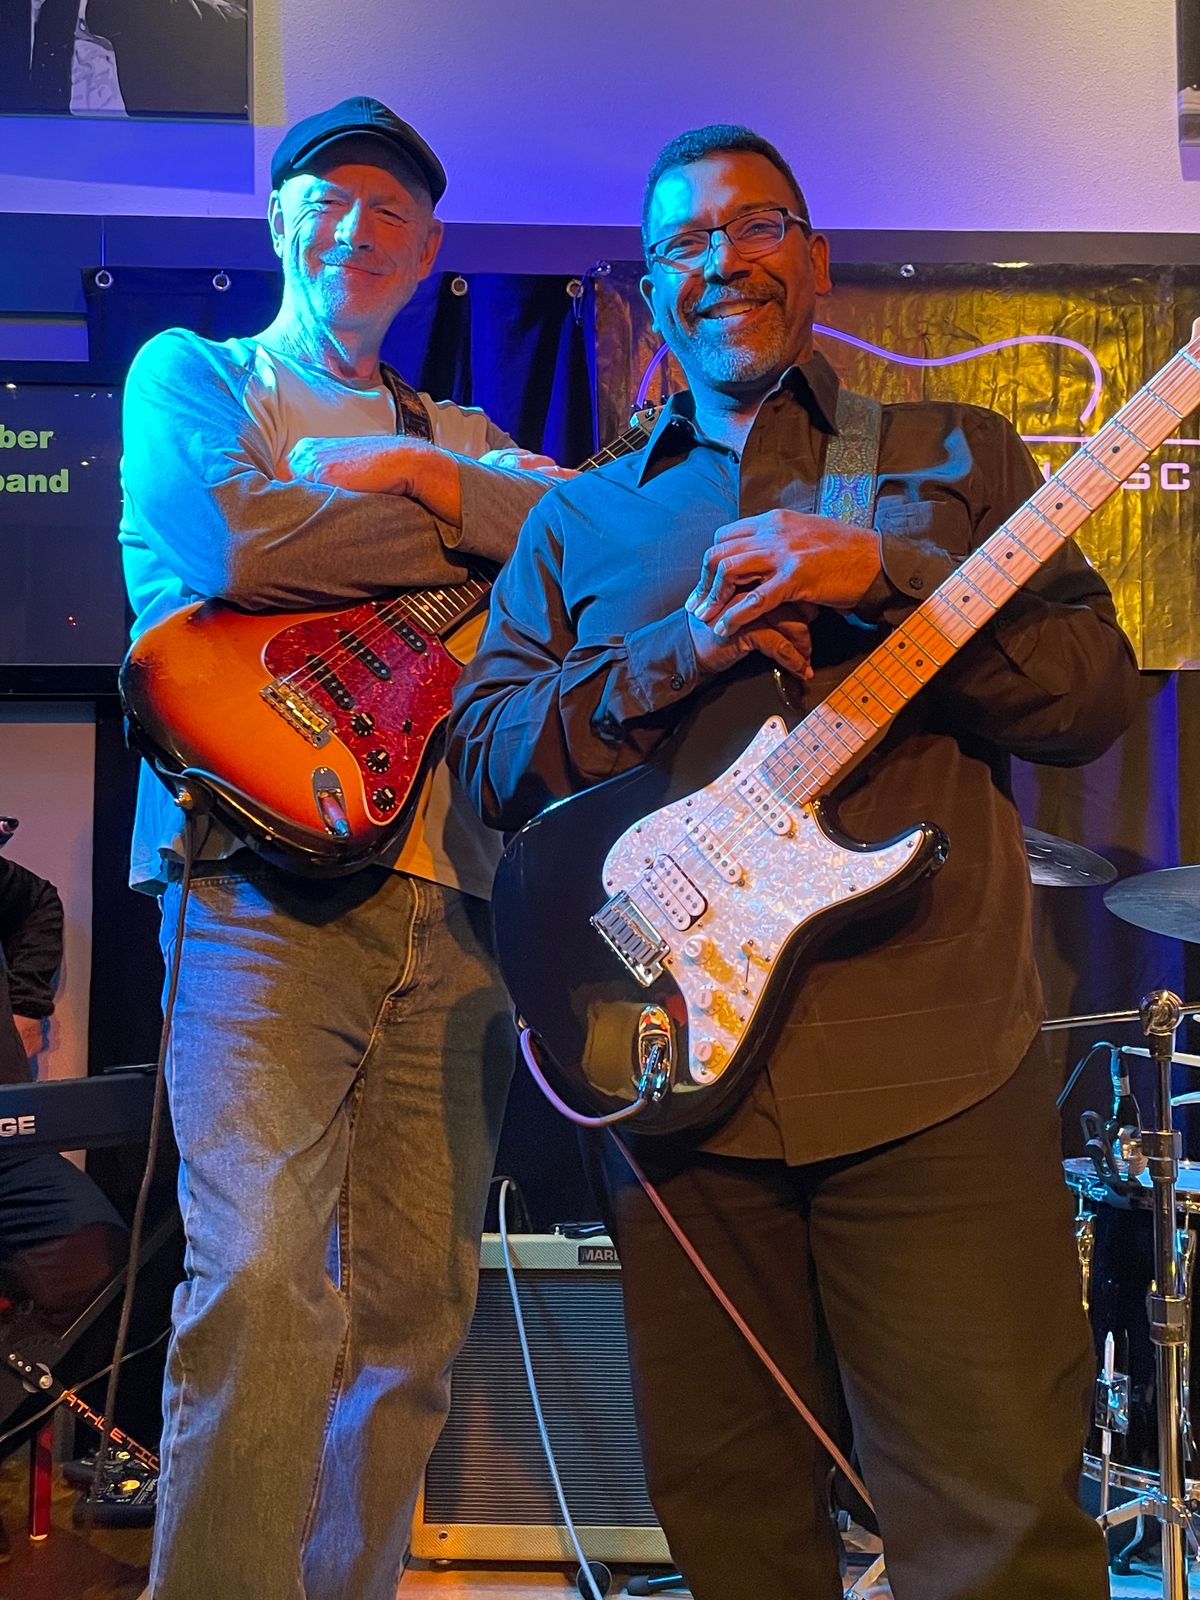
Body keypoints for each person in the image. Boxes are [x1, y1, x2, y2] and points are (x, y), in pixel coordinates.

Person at [447, 123, 1142, 1600]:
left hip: (933, 1073)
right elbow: (491, 757)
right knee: (736, 1527)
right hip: (675, 1092)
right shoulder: (580, 518)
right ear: (650, 289)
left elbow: (1089, 695)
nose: (725, 261)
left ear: (815, 259)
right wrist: (677, 651)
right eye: (687, 243)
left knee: (1001, 1532)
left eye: (757, 226)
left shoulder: (956, 456)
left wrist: (892, 577)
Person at [119, 97, 559, 1600]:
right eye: (329, 201)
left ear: (428, 253)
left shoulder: (461, 438)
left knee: (412, 1316)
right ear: (280, 222)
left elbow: (581, 544)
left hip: (457, 893)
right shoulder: (196, 375)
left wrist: (429, 481)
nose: (358, 230)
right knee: (258, 1277)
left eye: (392, 213)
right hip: (252, 882)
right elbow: (238, 546)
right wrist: (475, 527)